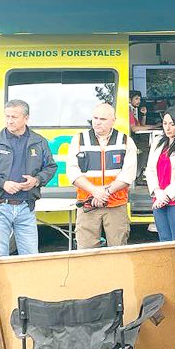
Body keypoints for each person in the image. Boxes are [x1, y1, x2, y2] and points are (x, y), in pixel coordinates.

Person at [0, 100, 57, 257]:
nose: (9, 121)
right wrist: (3, 184)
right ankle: (1, 283)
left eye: (14, 117)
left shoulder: (39, 142)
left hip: (26, 207)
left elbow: (51, 167)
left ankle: (27, 283)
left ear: (26, 118)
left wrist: (36, 180)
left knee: (31, 256)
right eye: (7, 116)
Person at [67, 103, 138, 249]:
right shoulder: (79, 140)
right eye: (95, 118)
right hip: (87, 203)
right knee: (86, 251)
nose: (97, 122)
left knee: (118, 250)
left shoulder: (125, 141)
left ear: (113, 120)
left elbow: (128, 175)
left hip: (116, 205)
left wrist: (104, 193)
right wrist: (95, 192)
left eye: (103, 119)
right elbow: (73, 172)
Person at [145, 107, 175, 301]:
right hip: (158, 200)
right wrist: (157, 192)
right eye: (165, 123)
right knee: (164, 243)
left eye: (172, 124)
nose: (168, 127)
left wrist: (168, 195)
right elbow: (149, 170)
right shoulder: (158, 142)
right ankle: (167, 284)